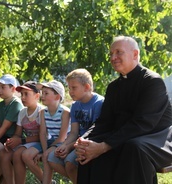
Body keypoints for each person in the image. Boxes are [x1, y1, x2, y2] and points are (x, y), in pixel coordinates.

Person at [74, 36, 172, 184]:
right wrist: (84, 140)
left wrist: (104, 146)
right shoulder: (113, 87)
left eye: (119, 52)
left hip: (158, 138)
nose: (113, 57)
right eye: (111, 54)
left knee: (133, 147)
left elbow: (143, 123)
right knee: (89, 150)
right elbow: (104, 121)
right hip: (126, 136)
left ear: (135, 54)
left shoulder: (152, 81)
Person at [48, 69, 104, 183]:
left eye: (74, 88)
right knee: (52, 158)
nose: (70, 91)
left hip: (91, 142)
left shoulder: (99, 103)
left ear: (87, 87)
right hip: (77, 142)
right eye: (69, 88)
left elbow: (95, 133)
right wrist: (64, 145)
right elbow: (74, 132)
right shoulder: (75, 105)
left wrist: (69, 147)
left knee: (69, 162)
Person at [23, 80, 70, 184]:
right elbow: (43, 134)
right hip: (51, 141)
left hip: (64, 142)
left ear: (57, 97)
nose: (42, 96)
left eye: (46, 93)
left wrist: (46, 152)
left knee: (45, 157)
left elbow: (62, 137)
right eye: (42, 93)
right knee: (26, 155)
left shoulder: (65, 113)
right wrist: (45, 150)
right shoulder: (43, 112)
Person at [0, 81, 43, 184]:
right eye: (22, 94)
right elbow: (18, 133)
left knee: (18, 153)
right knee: (4, 154)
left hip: (40, 142)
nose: (23, 97)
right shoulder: (22, 112)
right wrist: (12, 141)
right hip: (27, 142)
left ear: (37, 96)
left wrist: (21, 140)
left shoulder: (41, 112)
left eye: (26, 94)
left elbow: (42, 136)